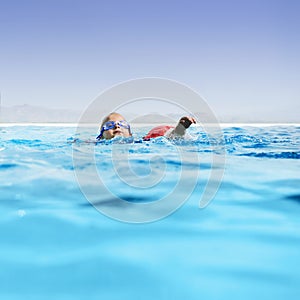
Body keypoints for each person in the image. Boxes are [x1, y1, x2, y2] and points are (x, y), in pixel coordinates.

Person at [96, 112, 196, 140]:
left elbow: (167, 138)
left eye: (122, 124)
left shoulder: (136, 142)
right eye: (110, 125)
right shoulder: (95, 145)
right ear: (101, 136)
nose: (117, 127)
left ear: (130, 134)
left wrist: (179, 131)